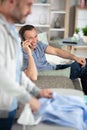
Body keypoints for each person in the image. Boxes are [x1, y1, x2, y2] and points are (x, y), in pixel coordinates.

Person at [0, 1, 53, 130]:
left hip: (9, 105)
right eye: (28, 5)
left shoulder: (12, 31)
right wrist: (29, 99)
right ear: (12, 1)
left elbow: (16, 71)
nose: (30, 11)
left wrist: (37, 92)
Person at [19, 24, 87, 94]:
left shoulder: (39, 44)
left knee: (85, 61)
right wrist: (29, 53)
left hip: (54, 68)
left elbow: (56, 51)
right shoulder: (21, 54)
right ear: (23, 40)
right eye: (30, 38)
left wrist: (75, 57)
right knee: (83, 67)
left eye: (35, 36)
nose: (34, 40)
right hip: (51, 74)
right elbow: (33, 77)